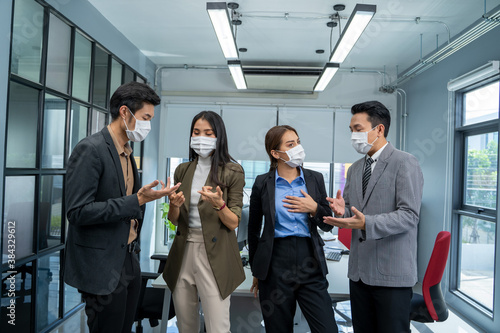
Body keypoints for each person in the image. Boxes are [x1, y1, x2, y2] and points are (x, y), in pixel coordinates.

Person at [64, 81, 181, 333]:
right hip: (102, 265)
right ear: (125, 112)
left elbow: (127, 203)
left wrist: (146, 200)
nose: (148, 125)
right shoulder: (91, 149)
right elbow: (77, 212)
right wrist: (137, 200)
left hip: (128, 259)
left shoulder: (127, 152)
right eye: (145, 117)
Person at [323, 101, 424, 333]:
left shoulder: (405, 162)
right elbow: (353, 210)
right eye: (351, 130)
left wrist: (367, 222)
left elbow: (409, 215)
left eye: (358, 129)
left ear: (379, 129)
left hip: (391, 273)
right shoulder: (355, 168)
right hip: (359, 272)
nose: (353, 135)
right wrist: (342, 210)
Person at [248, 125, 338, 333]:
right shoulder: (262, 183)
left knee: (327, 328)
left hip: (310, 260)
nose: (298, 147)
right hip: (274, 263)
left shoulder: (314, 178)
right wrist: (257, 270)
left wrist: (314, 208)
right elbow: (253, 230)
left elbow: (326, 223)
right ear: (275, 153)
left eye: (298, 142)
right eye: (290, 144)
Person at [163, 111, 245, 333]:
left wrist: (220, 205)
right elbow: (174, 220)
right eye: (196, 133)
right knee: (185, 325)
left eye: (208, 133)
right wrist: (174, 205)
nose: (201, 138)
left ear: (219, 137)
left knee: (217, 327)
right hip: (183, 251)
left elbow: (233, 222)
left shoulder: (232, 170)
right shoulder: (183, 169)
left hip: (216, 254)